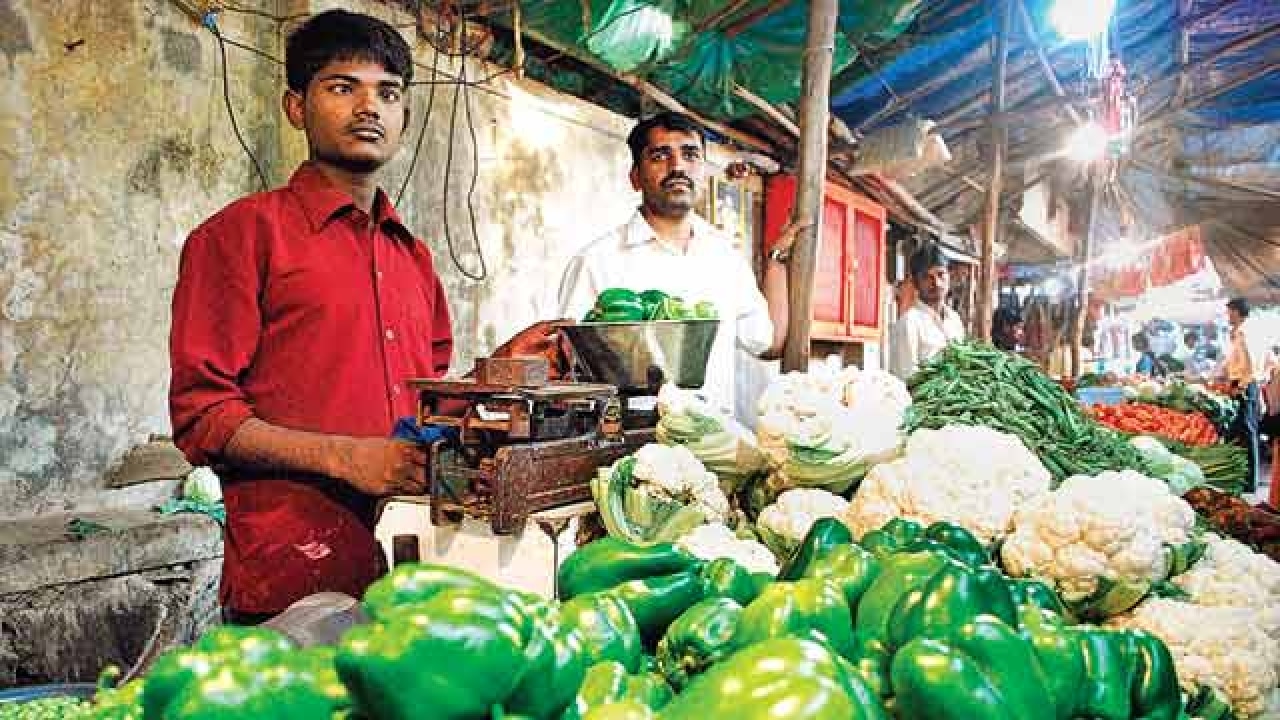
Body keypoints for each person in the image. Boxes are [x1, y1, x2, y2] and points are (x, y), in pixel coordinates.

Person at [169, 10, 452, 623]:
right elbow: (202, 417)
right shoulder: (239, 236)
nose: (369, 107)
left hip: (411, 576)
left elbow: (431, 392)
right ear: (296, 107)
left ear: (404, 115)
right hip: (292, 576)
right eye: (342, 87)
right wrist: (350, 457)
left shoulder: (414, 256)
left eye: (389, 92)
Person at [557, 112, 789, 419]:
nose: (678, 166)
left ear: (704, 172)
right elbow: (566, 362)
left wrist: (777, 261)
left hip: (711, 447)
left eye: (690, 154)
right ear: (635, 177)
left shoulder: (725, 259)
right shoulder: (596, 261)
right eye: (660, 155)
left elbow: (768, 344)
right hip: (627, 449)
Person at [889, 245, 965, 379]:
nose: (936, 283)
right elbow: (905, 377)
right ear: (915, 282)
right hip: (923, 399)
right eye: (927, 277)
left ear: (949, 276)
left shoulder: (955, 320)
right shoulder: (909, 323)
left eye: (941, 274)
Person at [1220, 297, 1267, 493]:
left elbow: (1251, 364)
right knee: (1238, 432)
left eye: (1229, 312)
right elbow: (1233, 363)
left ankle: (1251, 482)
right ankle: (1242, 478)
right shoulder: (1238, 334)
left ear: (1237, 312)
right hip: (1240, 385)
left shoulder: (1246, 333)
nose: (1228, 316)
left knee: (1247, 432)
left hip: (1245, 387)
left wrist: (1241, 386)